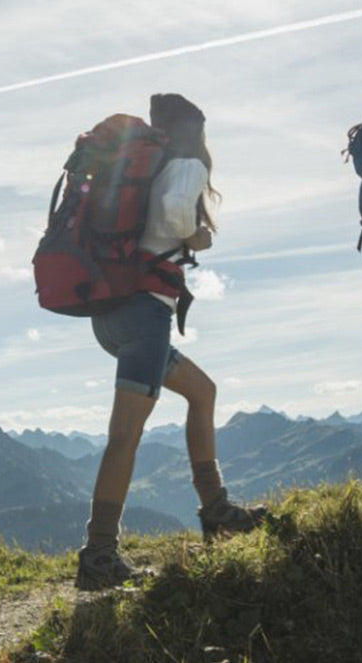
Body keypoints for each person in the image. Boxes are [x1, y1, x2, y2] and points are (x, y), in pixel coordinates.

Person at [76, 93, 264, 591]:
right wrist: (196, 236)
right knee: (125, 437)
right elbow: (176, 212)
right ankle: (99, 553)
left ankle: (216, 509)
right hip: (145, 314)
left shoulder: (143, 164)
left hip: (112, 314)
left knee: (202, 392)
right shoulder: (185, 164)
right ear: (195, 130)